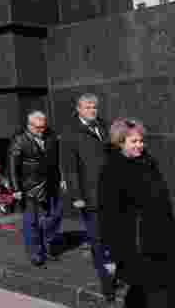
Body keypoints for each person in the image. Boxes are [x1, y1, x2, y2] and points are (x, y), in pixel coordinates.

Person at [99, 118, 175, 307]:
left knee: (166, 291)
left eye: (141, 140)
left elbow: (165, 205)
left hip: (161, 240)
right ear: (120, 143)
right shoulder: (112, 170)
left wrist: (174, 241)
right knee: (146, 293)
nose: (140, 145)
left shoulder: (149, 163)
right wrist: (110, 254)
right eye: (134, 141)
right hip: (135, 245)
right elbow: (108, 214)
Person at [65, 94, 115, 299]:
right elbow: (70, 168)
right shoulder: (71, 132)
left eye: (94, 107)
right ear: (78, 109)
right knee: (97, 237)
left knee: (111, 234)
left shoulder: (104, 126)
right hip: (89, 194)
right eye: (87, 107)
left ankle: (113, 268)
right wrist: (76, 195)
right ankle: (107, 284)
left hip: (111, 191)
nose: (92, 110)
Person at [9, 111, 64, 267]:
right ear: (29, 125)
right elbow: (12, 165)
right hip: (30, 186)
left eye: (44, 127)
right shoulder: (19, 140)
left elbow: (57, 159)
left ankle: (46, 247)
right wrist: (15, 188)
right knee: (32, 222)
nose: (42, 130)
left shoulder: (51, 135)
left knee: (55, 215)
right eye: (38, 128)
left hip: (51, 183)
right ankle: (36, 253)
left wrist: (62, 178)